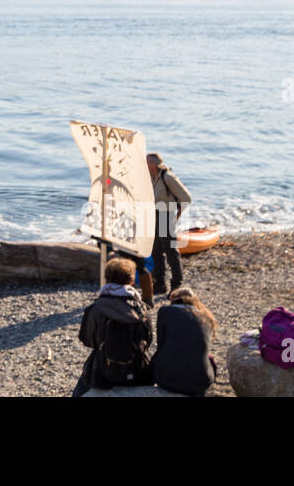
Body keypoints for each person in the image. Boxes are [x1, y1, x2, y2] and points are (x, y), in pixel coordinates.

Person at [71, 257, 153, 397]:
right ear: (132, 281)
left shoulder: (95, 308)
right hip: (137, 372)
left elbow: (87, 340)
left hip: (102, 372)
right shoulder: (141, 309)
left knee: (79, 392)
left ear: (106, 279)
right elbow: (148, 339)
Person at [150, 287, 217, 396]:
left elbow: (161, 345)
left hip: (168, 380)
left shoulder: (165, 311)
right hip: (201, 381)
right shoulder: (206, 317)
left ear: (173, 300)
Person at [147, 152, 191, 296]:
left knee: (170, 250)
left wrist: (177, 215)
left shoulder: (168, 177)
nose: (145, 165)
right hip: (153, 214)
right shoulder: (149, 177)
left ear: (154, 164)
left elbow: (186, 197)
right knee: (155, 251)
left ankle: (177, 284)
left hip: (166, 214)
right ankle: (159, 283)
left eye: (147, 162)